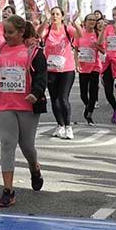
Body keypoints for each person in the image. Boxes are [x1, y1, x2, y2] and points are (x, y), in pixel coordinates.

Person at [0, 15, 47, 207]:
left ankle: (34, 168)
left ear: (21, 32)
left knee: (27, 146)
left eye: (10, 32)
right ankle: (8, 191)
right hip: (4, 104)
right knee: (7, 144)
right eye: (5, 32)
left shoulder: (33, 51)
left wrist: (35, 93)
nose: (7, 35)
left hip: (27, 105)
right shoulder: (0, 49)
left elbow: (42, 76)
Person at [42, 7, 77, 139]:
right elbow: (38, 35)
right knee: (54, 99)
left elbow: (79, 35)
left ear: (62, 16)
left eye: (57, 14)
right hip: (51, 69)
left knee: (63, 98)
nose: (55, 16)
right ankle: (60, 125)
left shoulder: (67, 29)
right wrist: (45, 21)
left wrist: (75, 23)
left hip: (66, 69)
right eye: (53, 14)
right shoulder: (47, 29)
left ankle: (68, 127)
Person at [76, 13, 103, 126]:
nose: (92, 21)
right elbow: (76, 50)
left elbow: (103, 50)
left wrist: (96, 45)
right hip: (83, 66)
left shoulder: (98, 34)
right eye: (90, 19)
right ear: (85, 21)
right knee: (83, 94)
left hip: (95, 66)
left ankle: (90, 113)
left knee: (93, 91)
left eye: (94, 20)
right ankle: (88, 106)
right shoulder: (80, 33)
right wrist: (76, 63)